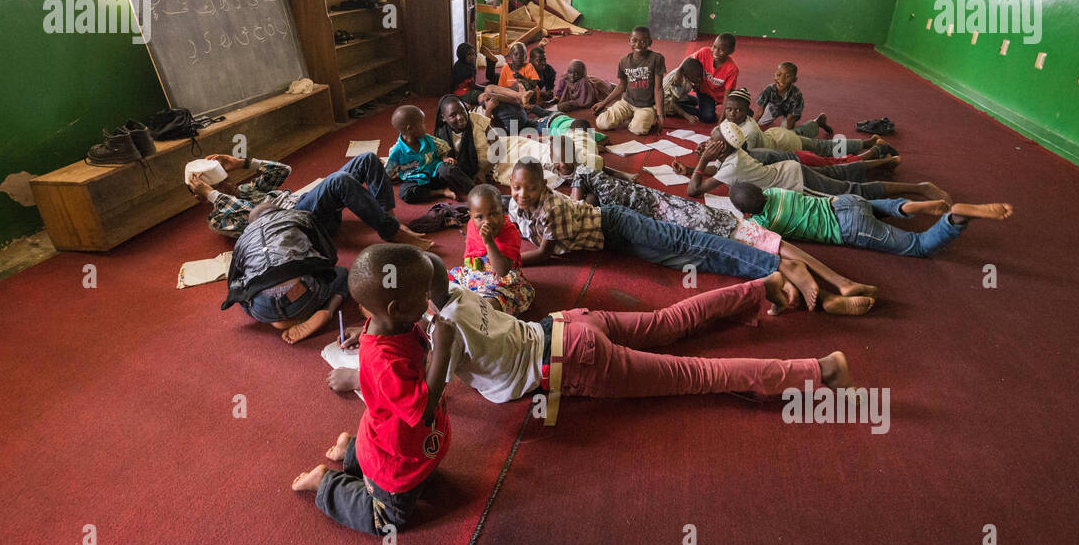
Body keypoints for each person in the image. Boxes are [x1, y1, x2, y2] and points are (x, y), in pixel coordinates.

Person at [327, 253, 858, 418]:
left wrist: (356, 377)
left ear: (398, 310)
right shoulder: (456, 291)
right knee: (672, 320)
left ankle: (819, 370)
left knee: (697, 375)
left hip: (573, 361)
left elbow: (420, 399)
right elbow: (426, 298)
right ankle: (760, 286)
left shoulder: (438, 338)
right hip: (570, 323)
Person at [508, 159, 837, 312]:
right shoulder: (515, 206)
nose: (522, 194)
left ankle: (781, 267)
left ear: (544, 185)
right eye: (516, 187)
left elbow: (544, 254)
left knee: (692, 242)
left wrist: (507, 262)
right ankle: (774, 273)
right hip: (614, 242)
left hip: (618, 223)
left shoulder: (552, 207)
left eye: (531, 187)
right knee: (689, 259)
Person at [291, 244, 452, 536]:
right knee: (388, 521)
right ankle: (326, 481)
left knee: (420, 474)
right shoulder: (385, 362)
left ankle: (349, 450)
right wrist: (444, 349)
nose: (429, 299)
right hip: (393, 466)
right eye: (423, 294)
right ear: (397, 308)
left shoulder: (395, 323)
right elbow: (424, 409)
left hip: (403, 444)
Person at [570, 164, 876, 314]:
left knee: (769, 247)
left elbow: (582, 173)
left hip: (696, 225)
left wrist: (578, 197)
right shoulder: (610, 193)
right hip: (695, 224)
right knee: (767, 249)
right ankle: (832, 292)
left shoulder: (599, 191)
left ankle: (835, 289)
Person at [189, 151, 432, 247]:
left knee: (366, 159)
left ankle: (387, 218)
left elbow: (282, 171)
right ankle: (392, 232)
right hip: (301, 225)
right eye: (222, 186)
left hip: (308, 205)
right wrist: (213, 194)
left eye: (228, 180)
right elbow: (250, 218)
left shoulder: (246, 190)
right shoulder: (220, 218)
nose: (231, 185)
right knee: (339, 180)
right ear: (204, 197)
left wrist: (242, 162)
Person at [729, 182, 1013, 258]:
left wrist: (746, 218)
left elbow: (754, 236)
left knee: (918, 245)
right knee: (884, 206)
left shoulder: (764, 223)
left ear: (749, 213)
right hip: (844, 201)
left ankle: (957, 218)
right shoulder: (775, 193)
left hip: (848, 229)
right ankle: (909, 205)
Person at [683, 122, 947, 203]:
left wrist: (702, 162)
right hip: (792, 170)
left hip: (798, 181)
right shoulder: (733, 156)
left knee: (854, 193)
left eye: (711, 140)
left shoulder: (732, 164)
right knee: (841, 176)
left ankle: (919, 189)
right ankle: (887, 164)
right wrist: (700, 164)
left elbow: (694, 191)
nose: (707, 142)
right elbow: (715, 174)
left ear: (722, 148)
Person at [220, 203, 350, 345]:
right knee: (343, 274)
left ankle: (277, 320)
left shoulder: (242, 240)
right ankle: (327, 310)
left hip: (262, 308)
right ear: (280, 211)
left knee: (246, 294)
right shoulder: (299, 216)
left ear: (251, 224)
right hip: (300, 294)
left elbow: (233, 284)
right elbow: (330, 256)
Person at [448, 185, 536, 315]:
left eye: (493, 214)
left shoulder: (510, 232)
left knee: (490, 305)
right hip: (476, 274)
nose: (487, 222)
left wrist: (489, 242)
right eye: (479, 217)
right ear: (471, 216)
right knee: (440, 276)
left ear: (502, 210)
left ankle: (474, 314)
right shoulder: (472, 224)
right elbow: (473, 254)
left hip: (501, 283)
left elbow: (502, 271)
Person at [725, 88, 881, 159]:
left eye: (737, 110)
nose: (732, 113)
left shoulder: (750, 132)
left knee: (822, 147)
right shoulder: (732, 119)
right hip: (776, 135)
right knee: (798, 133)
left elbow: (746, 159)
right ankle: (816, 123)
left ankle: (866, 144)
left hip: (784, 144)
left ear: (747, 111)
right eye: (729, 109)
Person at [386, 105, 475, 203]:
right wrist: (399, 172)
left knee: (448, 169)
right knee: (404, 193)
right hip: (417, 181)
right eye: (422, 124)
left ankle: (474, 189)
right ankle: (441, 192)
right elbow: (389, 173)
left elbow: (441, 148)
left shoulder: (428, 139)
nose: (425, 126)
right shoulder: (396, 151)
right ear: (410, 128)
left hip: (435, 173)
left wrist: (444, 158)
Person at [593, 25, 666, 135]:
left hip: (646, 106)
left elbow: (658, 89)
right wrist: (603, 103)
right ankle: (633, 116)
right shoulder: (624, 61)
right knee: (602, 123)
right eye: (634, 40)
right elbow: (622, 86)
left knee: (638, 130)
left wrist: (660, 115)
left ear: (650, 43)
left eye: (643, 41)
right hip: (627, 102)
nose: (638, 44)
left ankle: (646, 117)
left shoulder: (656, 59)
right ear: (629, 41)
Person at [433, 94, 497, 184]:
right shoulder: (442, 134)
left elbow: (498, 146)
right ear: (443, 118)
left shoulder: (477, 119)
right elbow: (440, 158)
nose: (460, 117)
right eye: (453, 115)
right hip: (468, 167)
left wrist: (484, 170)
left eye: (462, 111)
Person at [677, 33, 738, 124]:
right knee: (707, 117)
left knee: (740, 110)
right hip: (704, 92)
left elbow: (727, 96)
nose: (716, 52)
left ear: (731, 51)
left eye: (722, 49)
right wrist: (679, 71)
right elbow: (688, 60)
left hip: (718, 97)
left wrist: (720, 121)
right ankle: (676, 106)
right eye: (714, 47)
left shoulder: (732, 69)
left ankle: (691, 101)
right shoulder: (704, 52)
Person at [663, 56, 705, 123]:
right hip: (667, 103)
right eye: (697, 77)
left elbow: (688, 59)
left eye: (700, 76)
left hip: (677, 96)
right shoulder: (679, 81)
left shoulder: (686, 70)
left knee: (695, 101)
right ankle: (675, 112)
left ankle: (682, 106)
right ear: (687, 75)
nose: (699, 79)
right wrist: (688, 116)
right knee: (697, 112)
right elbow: (672, 103)